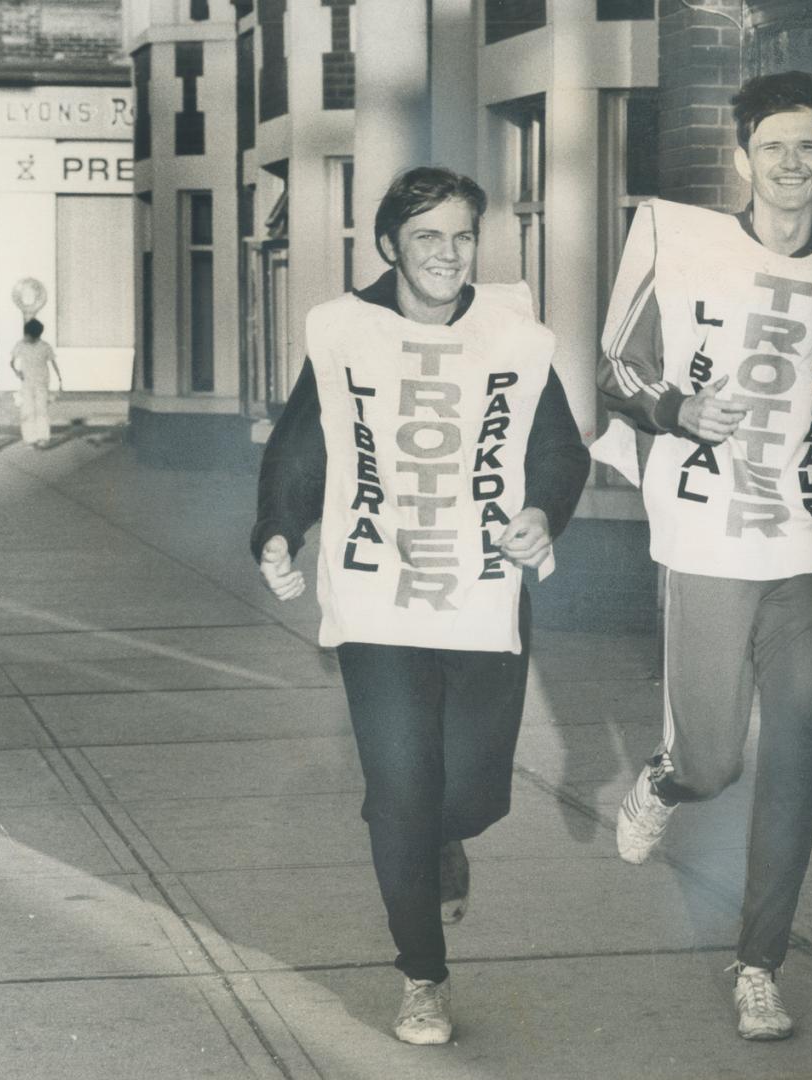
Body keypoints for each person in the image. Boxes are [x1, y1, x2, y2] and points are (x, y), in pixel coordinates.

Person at [598, 70, 812, 1040]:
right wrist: (677, 410)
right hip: (705, 531)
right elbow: (613, 365)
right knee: (715, 759)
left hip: (806, 537)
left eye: (807, 146)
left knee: (794, 750)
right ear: (743, 157)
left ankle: (759, 964)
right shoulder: (683, 242)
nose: (791, 163)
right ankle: (666, 779)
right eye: (772, 146)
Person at [250, 166, 590, 1045]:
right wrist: (278, 533)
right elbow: (302, 444)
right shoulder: (347, 332)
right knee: (401, 786)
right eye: (428, 235)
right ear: (391, 244)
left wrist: (540, 512)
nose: (447, 253)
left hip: (482, 598)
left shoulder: (511, 334)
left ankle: (447, 836)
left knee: (470, 791)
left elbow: (558, 448)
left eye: (463, 235)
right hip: (378, 603)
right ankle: (422, 976)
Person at [10, 318, 63, 448]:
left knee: (41, 410)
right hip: (26, 383)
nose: (25, 337)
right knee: (27, 410)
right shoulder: (20, 345)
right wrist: (17, 372)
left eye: (27, 335)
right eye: (24, 334)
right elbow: (11, 362)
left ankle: (43, 437)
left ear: (35, 335)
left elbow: (53, 362)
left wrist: (60, 379)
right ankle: (30, 438)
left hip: (42, 383)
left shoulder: (44, 346)